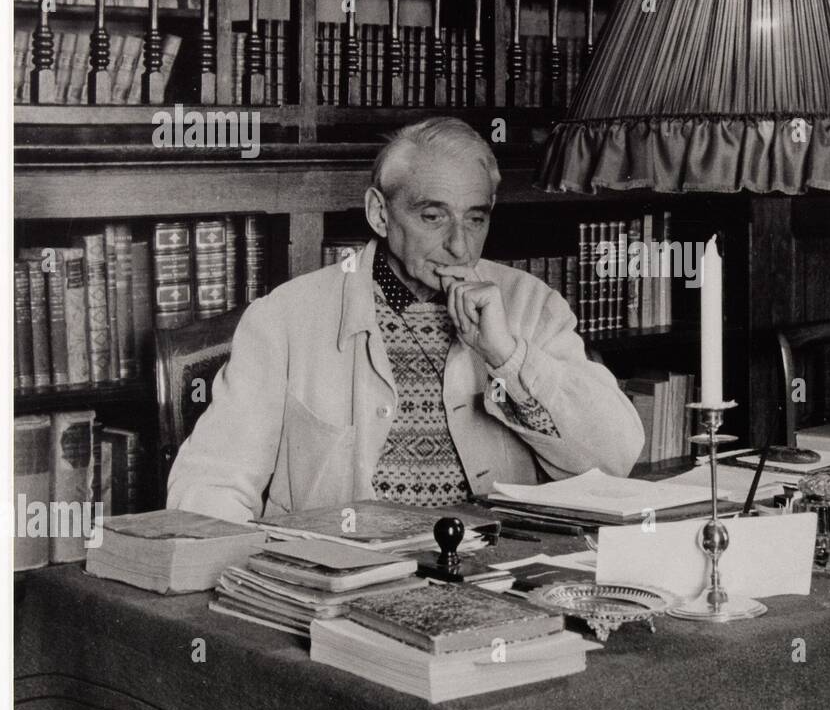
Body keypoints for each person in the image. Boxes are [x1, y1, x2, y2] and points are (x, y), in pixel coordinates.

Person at [167, 117, 645, 522]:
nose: (460, 246)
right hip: (342, 589)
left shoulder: (532, 305)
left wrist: (507, 356)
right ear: (380, 212)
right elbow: (210, 486)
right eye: (433, 217)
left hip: (495, 582)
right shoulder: (285, 318)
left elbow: (613, 462)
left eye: (475, 219)